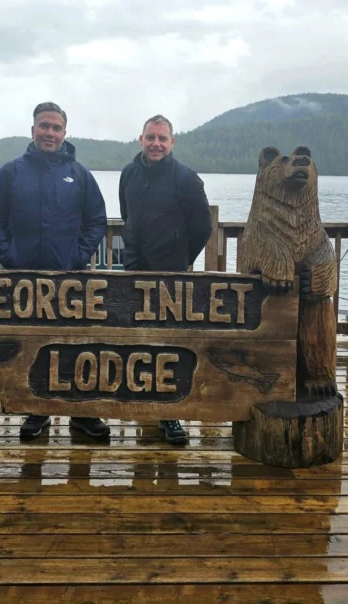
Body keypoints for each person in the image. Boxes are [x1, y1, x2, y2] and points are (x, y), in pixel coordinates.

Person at [0, 102, 110, 441]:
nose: (49, 133)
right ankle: (36, 409)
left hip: (69, 278)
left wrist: (79, 256)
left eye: (56, 128)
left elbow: (97, 219)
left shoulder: (80, 174)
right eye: (44, 126)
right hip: (23, 277)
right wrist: (9, 256)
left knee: (76, 343)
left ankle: (83, 412)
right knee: (30, 344)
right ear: (33, 130)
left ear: (65, 133)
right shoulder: (10, 173)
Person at [118, 114, 213, 445]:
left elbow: (203, 227)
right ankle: (140, 400)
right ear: (140, 139)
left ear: (172, 142)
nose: (156, 143)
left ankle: (170, 414)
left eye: (162, 138)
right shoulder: (128, 173)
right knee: (137, 339)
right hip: (133, 271)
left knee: (169, 344)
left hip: (170, 278)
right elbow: (127, 216)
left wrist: (180, 258)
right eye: (150, 137)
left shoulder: (187, 179)